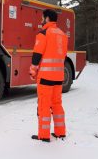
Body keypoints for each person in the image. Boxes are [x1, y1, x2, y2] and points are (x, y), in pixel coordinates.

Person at [29, 9, 68, 142]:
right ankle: (60, 132)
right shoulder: (63, 35)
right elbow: (63, 55)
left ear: (46, 19)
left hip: (45, 76)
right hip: (59, 77)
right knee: (57, 104)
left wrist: (33, 71)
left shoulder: (43, 33)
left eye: (42, 17)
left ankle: (44, 135)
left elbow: (37, 55)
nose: (41, 20)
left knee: (44, 105)